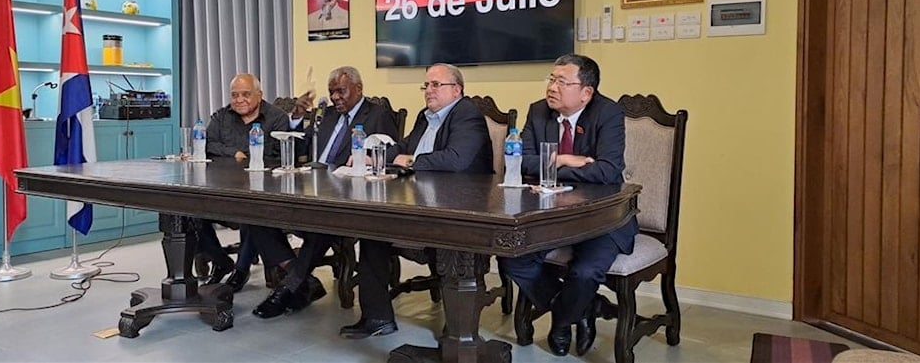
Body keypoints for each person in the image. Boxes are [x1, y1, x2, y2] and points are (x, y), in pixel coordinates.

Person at [339, 63, 493, 339]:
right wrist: (376, 156)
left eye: (436, 85)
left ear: (456, 90)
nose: (429, 91)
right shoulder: (426, 116)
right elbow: (405, 146)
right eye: (426, 85)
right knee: (372, 230)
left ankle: (459, 328)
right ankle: (377, 318)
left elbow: (456, 160)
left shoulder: (467, 114)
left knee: (441, 246)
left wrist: (409, 161)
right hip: (420, 201)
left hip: (459, 208)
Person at [498, 54, 635, 357]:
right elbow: (521, 162)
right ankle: (584, 308)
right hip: (549, 216)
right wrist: (562, 159)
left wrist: (550, 167)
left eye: (562, 81)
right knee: (512, 259)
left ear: (586, 92)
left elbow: (608, 171)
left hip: (603, 218)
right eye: (551, 78)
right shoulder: (538, 112)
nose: (552, 87)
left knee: (585, 273)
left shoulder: (608, 113)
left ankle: (561, 321)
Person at [251, 66, 399, 318]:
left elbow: (390, 152)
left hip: (348, 195)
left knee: (321, 223)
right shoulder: (326, 114)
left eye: (341, 91)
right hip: (311, 184)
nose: (336, 98)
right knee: (257, 213)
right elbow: (303, 141)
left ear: (359, 89)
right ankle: (302, 279)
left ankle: (287, 288)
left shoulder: (377, 115)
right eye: (332, 92)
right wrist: (297, 116)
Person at [195, 73, 290, 293]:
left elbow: (275, 154)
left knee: (250, 210)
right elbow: (207, 143)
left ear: (259, 95)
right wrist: (234, 152)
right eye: (234, 95)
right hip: (221, 189)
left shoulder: (277, 118)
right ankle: (221, 262)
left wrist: (242, 154)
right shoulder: (221, 117)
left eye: (246, 95)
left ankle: (241, 270)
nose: (239, 100)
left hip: (262, 191)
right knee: (188, 212)